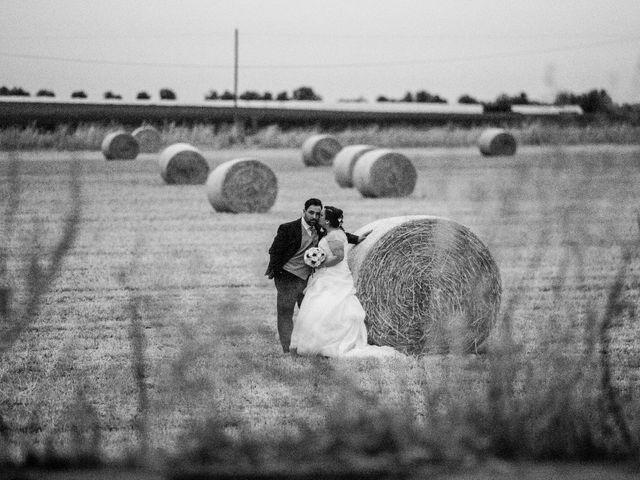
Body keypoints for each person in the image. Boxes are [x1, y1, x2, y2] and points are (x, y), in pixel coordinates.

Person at [289, 206, 401, 359]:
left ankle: (327, 342)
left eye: (321, 215)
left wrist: (319, 263)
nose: (318, 216)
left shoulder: (333, 236)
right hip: (331, 275)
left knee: (328, 305)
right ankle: (321, 340)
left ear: (327, 221)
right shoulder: (335, 233)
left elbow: (339, 257)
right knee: (326, 305)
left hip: (333, 275)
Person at [265, 198, 367, 353]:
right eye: (311, 212)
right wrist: (277, 272)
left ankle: (308, 345)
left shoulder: (320, 229)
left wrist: (357, 238)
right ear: (304, 211)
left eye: (317, 214)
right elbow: (274, 251)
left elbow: (338, 234)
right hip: (288, 276)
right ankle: (287, 350)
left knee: (310, 314)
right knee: (285, 313)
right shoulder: (288, 228)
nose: (314, 216)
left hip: (308, 279)